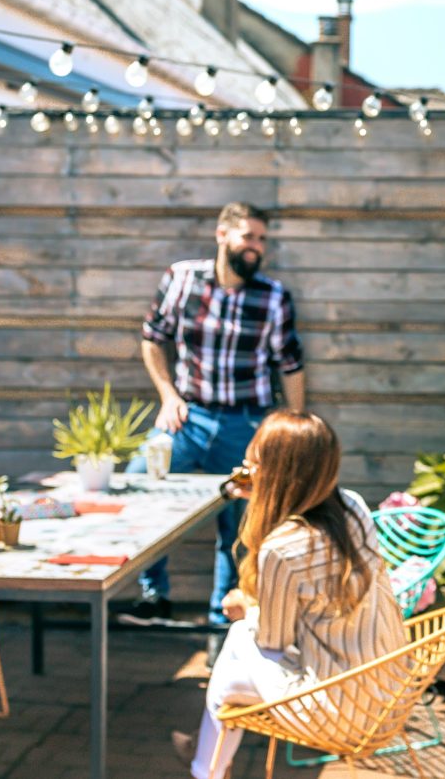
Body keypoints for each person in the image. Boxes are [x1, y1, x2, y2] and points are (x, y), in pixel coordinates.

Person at [170, 410, 404, 779]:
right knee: (231, 670)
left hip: (341, 708)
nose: (248, 472)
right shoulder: (353, 506)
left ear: (276, 475)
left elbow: (273, 640)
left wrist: (246, 609)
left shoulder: (283, 548)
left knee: (237, 644)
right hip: (389, 690)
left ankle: (207, 766)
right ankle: (204, 761)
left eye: (254, 465)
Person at [126, 202, 306, 627]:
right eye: (248, 236)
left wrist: (294, 428)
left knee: (240, 526)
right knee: (139, 480)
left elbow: (291, 365)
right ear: (222, 235)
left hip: (247, 425)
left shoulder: (273, 296)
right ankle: (154, 595)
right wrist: (168, 395)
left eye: (261, 239)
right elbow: (153, 339)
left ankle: (222, 622)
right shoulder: (182, 278)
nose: (255, 247)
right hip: (188, 419)